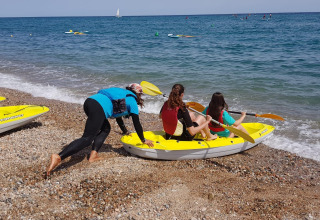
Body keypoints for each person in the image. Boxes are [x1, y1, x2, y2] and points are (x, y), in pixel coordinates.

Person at [46, 83, 154, 176]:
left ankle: (93, 155)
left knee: (106, 128)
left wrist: (125, 131)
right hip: (99, 108)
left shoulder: (121, 93)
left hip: (89, 102)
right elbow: (137, 123)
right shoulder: (132, 101)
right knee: (87, 138)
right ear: (138, 94)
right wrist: (143, 140)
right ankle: (59, 156)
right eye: (140, 94)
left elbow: (118, 116)